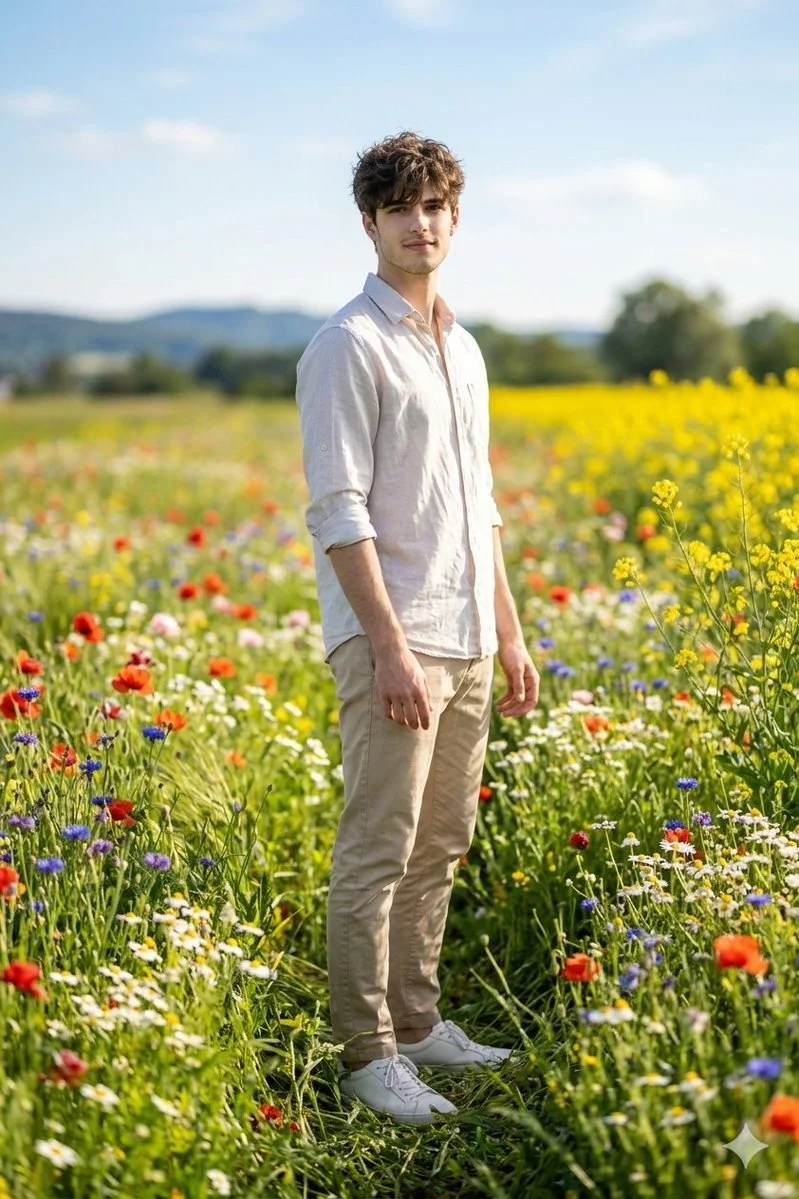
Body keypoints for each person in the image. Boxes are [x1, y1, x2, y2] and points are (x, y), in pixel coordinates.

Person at [295, 131, 539, 1126]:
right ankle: (366, 1052)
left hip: (469, 633)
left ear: (455, 216)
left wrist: (511, 632)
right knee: (378, 845)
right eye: (399, 206)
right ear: (370, 221)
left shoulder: (464, 346)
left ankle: (418, 1017)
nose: (419, 221)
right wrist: (388, 644)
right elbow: (338, 508)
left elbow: (476, 501)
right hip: (390, 636)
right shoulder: (346, 344)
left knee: (442, 839)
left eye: (434, 204)